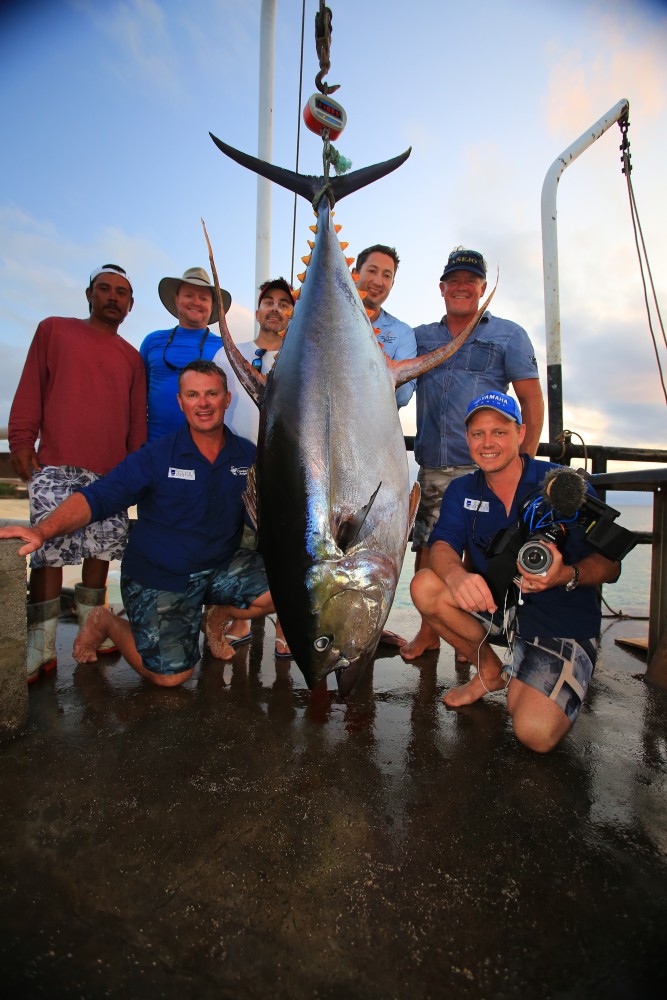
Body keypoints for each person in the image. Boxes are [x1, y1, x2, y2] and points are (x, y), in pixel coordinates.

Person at [0, 361, 274, 688]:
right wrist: (41, 530)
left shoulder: (245, 454)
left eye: (212, 393)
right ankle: (106, 621)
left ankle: (214, 618)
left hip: (219, 565)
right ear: (180, 402)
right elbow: (98, 497)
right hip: (161, 574)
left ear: (227, 399)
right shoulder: (157, 455)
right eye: (193, 394)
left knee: (284, 588)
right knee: (170, 677)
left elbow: (270, 514)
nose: (203, 403)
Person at [410, 391, 620, 753]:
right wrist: (458, 576)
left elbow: (611, 565)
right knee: (426, 585)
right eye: (478, 434)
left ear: (520, 434)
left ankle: (539, 672)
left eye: (499, 432)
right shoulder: (463, 488)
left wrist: (564, 574)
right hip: (500, 607)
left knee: (534, 733)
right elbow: (442, 544)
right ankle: (491, 672)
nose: (487, 443)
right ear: (468, 439)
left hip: (560, 620)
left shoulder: (564, 484)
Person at [401, 247, 545, 660]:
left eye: (471, 280)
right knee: (428, 550)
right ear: (442, 288)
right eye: (455, 280)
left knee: (482, 555)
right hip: (434, 466)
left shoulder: (509, 334)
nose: (462, 286)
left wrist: (523, 463)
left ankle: (470, 637)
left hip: (487, 464)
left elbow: (532, 403)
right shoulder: (420, 336)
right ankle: (430, 633)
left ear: (482, 288)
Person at [7, 264, 147, 682]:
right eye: (104, 289)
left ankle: (94, 628)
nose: (112, 297)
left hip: (110, 473)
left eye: (121, 292)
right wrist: (20, 440)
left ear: (130, 304)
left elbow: (136, 424)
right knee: (47, 555)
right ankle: (41, 645)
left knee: (100, 557)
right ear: (89, 294)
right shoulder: (53, 330)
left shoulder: (133, 357)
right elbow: (30, 387)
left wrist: (135, 469)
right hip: (55, 465)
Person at [213, 277, 295, 656]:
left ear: (292, 313)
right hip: (235, 469)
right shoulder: (228, 353)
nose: (275, 308)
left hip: (286, 471)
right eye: (269, 302)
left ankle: (286, 623)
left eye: (284, 303)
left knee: (287, 546)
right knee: (240, 544)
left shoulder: (299, 359)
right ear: (258, 309)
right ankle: (241, 617)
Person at [140, 267, 232, 441]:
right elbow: (137, 396)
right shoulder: (152, 342)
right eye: (189, 295)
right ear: (177, 299)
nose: (196, 302)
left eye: (203, 298)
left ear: (212, 305)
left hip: (207, 454)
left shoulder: (225, 348)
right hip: (155, 450)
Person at [352, 244, 416, 408]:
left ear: (392, 283)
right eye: (372, 271)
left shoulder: (403, 332)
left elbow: (404, 396)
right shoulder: (327, 320)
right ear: (354, 274)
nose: (378, 281)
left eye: (387, 276)